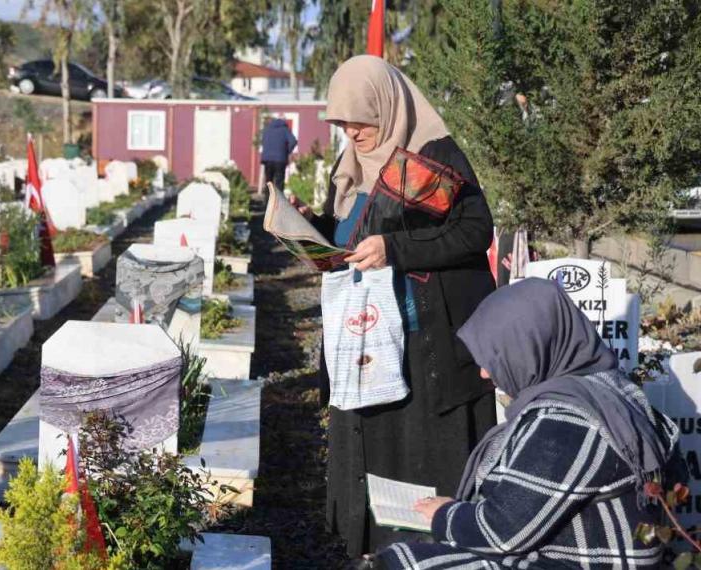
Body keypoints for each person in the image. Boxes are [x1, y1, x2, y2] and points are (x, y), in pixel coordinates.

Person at [302, 56, 498, 559]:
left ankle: (428, 556)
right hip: (365, 341)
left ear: (387, 107)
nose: (352, 133)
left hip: (424, 345)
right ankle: (378, 553)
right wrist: (311, 230)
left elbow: (475, 231)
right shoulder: (351, 165)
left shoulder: (433, 153)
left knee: (419, 459)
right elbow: (354, 233)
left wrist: (397, 250)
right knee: (374, 455)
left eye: (361, 121)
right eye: (342, 124)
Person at [379, 278, 680, 569]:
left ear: (529, 346)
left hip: (569, 562)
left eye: (495, 356)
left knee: (396, 561)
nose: (484, 373)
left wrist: (443, 514)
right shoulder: (609, 391)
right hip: (572, 554)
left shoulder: (567, 422)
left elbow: (502, 532)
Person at [260, 117, 296, 192]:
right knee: (279, 182)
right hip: (280, 160)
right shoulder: (285, 130)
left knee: (269, 182)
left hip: (268, 160)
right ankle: (279, 199)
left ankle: (267, 198)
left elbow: (263, 141)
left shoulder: (267, 130)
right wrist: (287, 150)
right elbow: (293, 141)